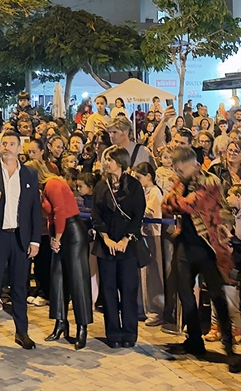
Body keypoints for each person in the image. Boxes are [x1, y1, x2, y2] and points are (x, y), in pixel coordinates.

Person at [162, 146, 240, 371]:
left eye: (180, 168)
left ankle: (229, 347)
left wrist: (176, 198)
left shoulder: (210, 180)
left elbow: (191, 204)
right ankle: (194, 341)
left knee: (217, 296)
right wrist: (177, 199)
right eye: (176, 169)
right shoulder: (181, 182)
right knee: (186, 296)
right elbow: (165, 208)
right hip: (185, 245)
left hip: (209, 247)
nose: (177, 172)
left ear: (193, 163)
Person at [0, 130, 43, 353]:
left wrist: (35, 240)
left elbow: (34, 209)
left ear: (19, 148)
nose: (7, 148)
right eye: (4, 143)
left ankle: (22, 332)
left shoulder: (30, 174)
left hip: (21, 237)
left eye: (12, 144)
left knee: (20, 287)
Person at [91, 145, 146, 348]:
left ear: (121, 162)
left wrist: (125, 239)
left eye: (110, 159)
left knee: (129, 289)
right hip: (106, 245)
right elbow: (96, 215)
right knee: (109, 290)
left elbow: (137, 215)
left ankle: (129, 334)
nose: (106, 163)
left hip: (128, 245)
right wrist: (106, 239)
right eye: (106, 159)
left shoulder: (134, 185)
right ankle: (113, 334)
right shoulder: (101, 186)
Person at [42, 151, 93, 349]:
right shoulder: (45, 188)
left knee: (78, 279)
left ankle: (82, 327)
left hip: (72, 232)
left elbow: (61, 212)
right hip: (60, 231)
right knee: (57, 277)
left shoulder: (53, 184)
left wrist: (57, 238)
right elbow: (51, 216)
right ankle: (60, 322)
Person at [135, 162, 165, 328]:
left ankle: (155, 310)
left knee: (153, 274)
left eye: (139, 177)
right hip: (144, 234)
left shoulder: (154, 192)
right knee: (144, 274)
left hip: (154, 235)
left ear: (149, 176)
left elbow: (151, 213)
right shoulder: (144, 191)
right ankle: (143, 307)